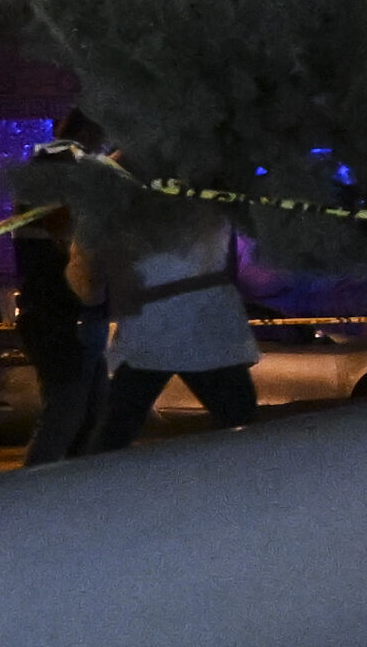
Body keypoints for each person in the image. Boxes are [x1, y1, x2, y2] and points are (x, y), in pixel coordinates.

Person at [79, 187, 261, 450]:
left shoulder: (128, 186)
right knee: (241, 424)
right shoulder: (202, 185)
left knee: (117, 426)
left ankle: (90, 483)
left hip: (179, 323)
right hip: (190, 324)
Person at [9, 126, 108, 466]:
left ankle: (77, 489)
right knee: (66, 413)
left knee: (90, 413)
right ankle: (33, 492)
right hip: (58, 323)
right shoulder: (47, 210)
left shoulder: (50, 209)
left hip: (72, 317)